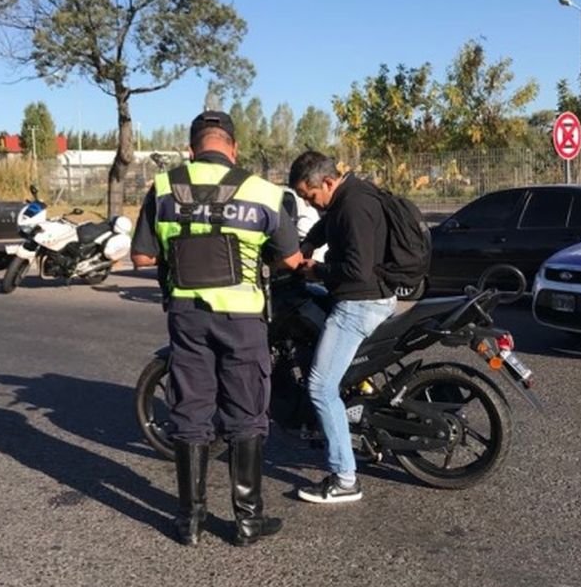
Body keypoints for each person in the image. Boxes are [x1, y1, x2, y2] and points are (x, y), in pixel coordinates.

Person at [130, 110, 302, 546]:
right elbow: (291, 260)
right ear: (233, 147)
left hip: (187, 316)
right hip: (242, 318)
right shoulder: (262, 191)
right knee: (246, 413)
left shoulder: (164, 187)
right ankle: (247, 521)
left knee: (190, 412)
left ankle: (189, 521)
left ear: (191, 149)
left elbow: (142, 258)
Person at [288, 151, 397, 504]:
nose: (311, 203)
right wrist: (306, 245)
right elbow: (325, 224)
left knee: (320, 386)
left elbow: (357, 270)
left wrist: (314, 270)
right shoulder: (347, 197)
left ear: (329, 182)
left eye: (311, 196)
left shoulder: (353, 207)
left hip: (359, 303)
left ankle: (345, 478)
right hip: (365, 297)